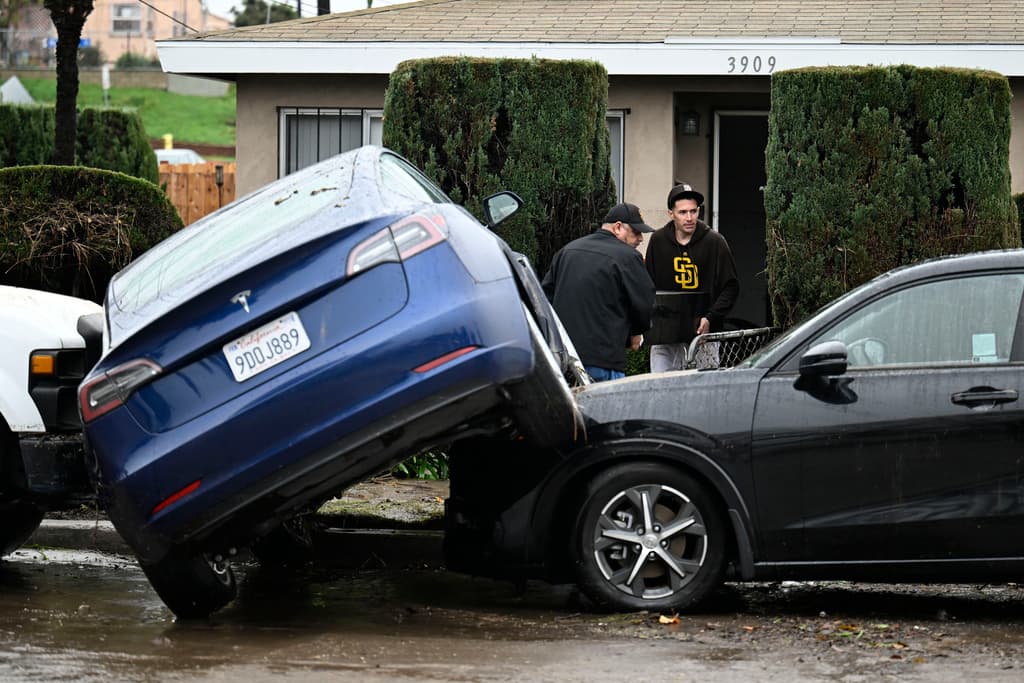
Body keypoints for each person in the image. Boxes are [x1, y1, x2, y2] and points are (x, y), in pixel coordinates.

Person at [542, 203, 656, 382]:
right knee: (607, 409)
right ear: (618, 227)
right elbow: (644, 304)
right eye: (636, 232)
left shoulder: (567, 251)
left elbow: (544, 300)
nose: (640, 238)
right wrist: (637, 333)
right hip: (605, 360)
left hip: (563, 359)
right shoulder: (628, 256)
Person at [645, 182, 739, 372]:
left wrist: (710, 318)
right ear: (670, 213)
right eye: (683, 212)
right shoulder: (658, 241)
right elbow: (648, 284)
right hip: (666, 336)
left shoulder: (715, 241)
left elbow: (730, 286)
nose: (689, 217)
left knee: (703, 391)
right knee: (662, 390)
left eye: (694, 211)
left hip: (704, 336)